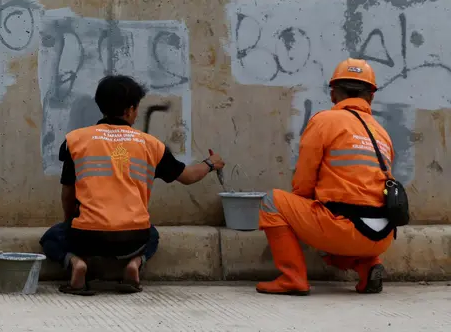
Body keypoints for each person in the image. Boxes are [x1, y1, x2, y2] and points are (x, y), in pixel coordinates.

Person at [40, 74, 225, 295]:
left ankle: (76, 263)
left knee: (52, 236)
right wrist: (211, 163)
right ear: (129, 110)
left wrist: (70, 222)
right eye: (137, 108)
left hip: (86, 238)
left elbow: (68, 193)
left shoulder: (76, 140)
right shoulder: (151, 145)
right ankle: (134, 263)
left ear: (102, 106)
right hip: (133, 238)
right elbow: (188, 176)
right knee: (152, 234)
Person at [257, 58, 396, 296]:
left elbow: (303, 182)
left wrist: (303, 213)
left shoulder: (324, 121)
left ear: (333, 94)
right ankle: (368, 265)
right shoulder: (381, 132)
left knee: (272, 202)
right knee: (341, 218)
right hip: (382, 237)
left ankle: (293, 278)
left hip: (343, 230)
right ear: (371, 97)